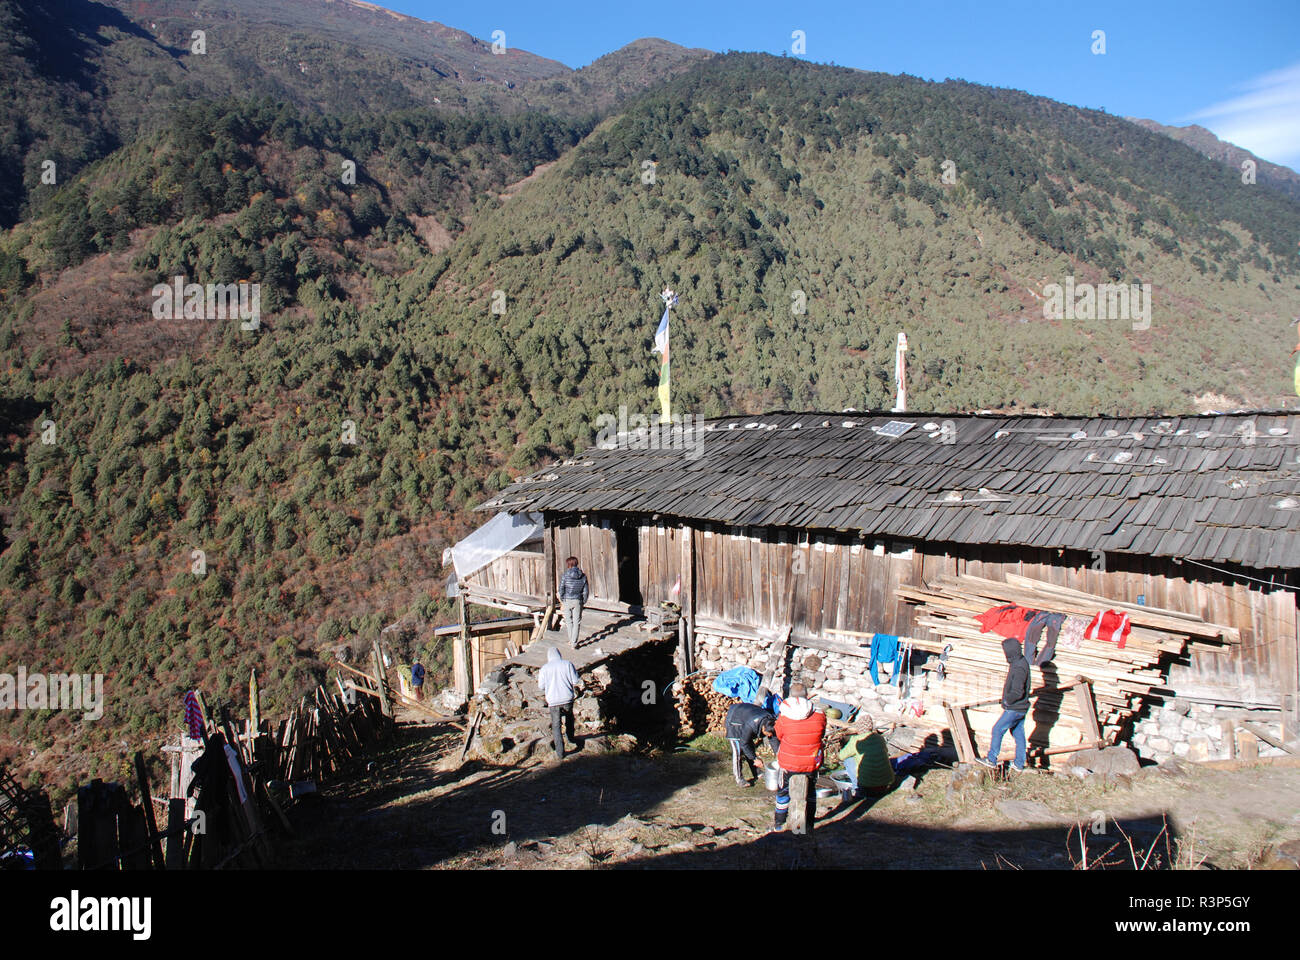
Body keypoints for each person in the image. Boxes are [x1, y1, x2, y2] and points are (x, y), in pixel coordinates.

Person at [772, 682, 826, 832]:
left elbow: (779, 735)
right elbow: (821, 733)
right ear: (807, 696)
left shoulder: (784, 716)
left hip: (789, 762)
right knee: (810, 791)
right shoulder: (819, 715)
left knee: (783, 791)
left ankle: (779, 822)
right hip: (811, 761)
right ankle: (808, 822)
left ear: (790, 696)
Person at [979, 637, 1032, 772]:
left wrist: (1008, 700)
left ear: (1010, 651)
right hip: (1021, 708)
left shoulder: (1019, 667)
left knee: (997, 729)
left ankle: (991, 759)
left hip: (1015, 707)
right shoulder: (1020, 662)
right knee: (1018, 734)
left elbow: (1017, 691)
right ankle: (1019, 764)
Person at [537, 646, 581, 760]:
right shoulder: (567, 664)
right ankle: (571, 738)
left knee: (556, 725)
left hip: (553, 701)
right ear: (559, 654)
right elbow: (575, 680)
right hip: (567, 698)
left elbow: (541, 686)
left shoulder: (544, 668)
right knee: (569, 718)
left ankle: (560, 752)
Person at [724, 701, 778, 787]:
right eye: (767, 734)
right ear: (763, 728)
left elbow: (773, 739)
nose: (768, 736)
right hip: (735, 722)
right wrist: (755, 759)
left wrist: (778, 755)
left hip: (746, 718)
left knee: (750, 748)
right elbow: (744, 743)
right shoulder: (752, 724)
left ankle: (757, 772)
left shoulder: (771, 722)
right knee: (738, 751)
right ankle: (739, 779)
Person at [838, 715, 894, 796]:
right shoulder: (879, 738)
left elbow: (841, 756)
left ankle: (856, 788)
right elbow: (886, 751)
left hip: (867, 785)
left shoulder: (856, 740)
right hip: (886, 783)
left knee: (848, 760)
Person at [558, 556, 590, 646]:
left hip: (567, 599)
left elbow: (561, 588)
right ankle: (574, 643)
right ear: (576, 564)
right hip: (577, 600)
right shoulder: (583, 576)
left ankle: (571, 640)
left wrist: (563, 598)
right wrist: (583, 601)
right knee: (577, 622)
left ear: (569, 564)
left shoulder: (565, 575)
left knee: (568, 621)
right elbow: (585, 591)